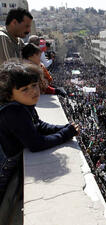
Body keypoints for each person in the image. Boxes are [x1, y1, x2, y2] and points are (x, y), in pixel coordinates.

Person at [0, 60, 79, 203]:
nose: (33, 91)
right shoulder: (14, 112)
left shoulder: (25, 103)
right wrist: (64, 134)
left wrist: (63, 128)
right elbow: (36, 144)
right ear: (9, 94)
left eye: (34, 85)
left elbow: (39, 125)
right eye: (25, 89)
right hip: (7, 167)